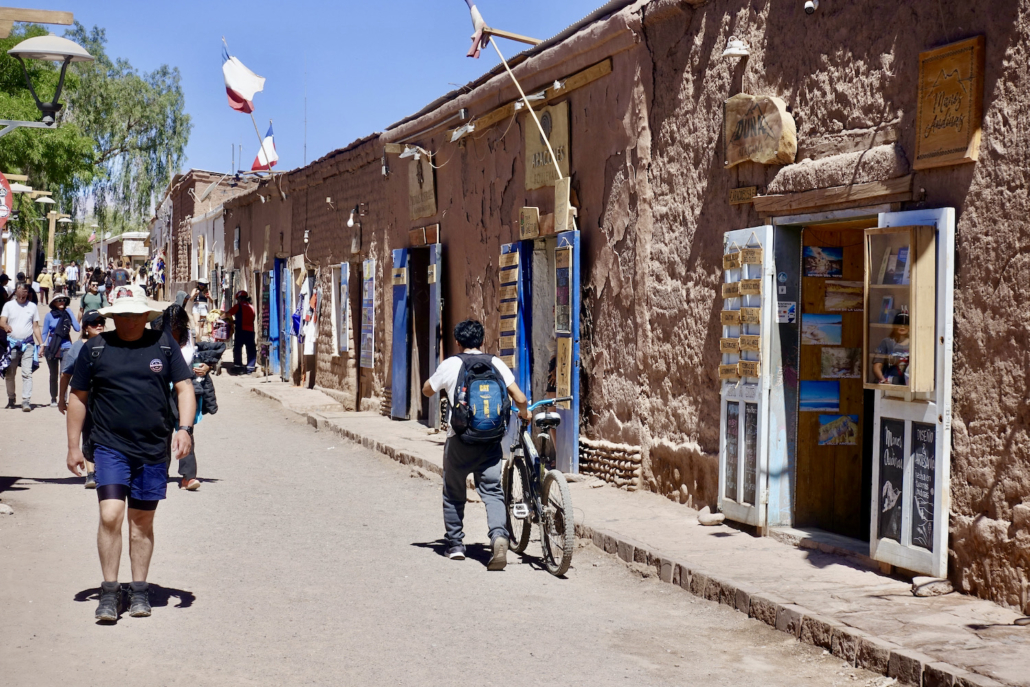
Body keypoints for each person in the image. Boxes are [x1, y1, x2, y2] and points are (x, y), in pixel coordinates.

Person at [66, 285, 195, 622]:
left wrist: (185, 429)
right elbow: (77, 397)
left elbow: (185, 388)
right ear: (113, 317)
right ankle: (110, 590)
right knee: (110, 515)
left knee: (142, 522)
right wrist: (73, 446)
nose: (129, 320)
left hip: (152, 449)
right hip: (109, 447)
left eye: (134, 313)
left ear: (145, 315)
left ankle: (138, 589)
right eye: (122, 314)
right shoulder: (95, 349)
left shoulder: (163, 345)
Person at [422, 319, 530, 570]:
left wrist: (436, 385)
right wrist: (524, 412)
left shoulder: (451, 364)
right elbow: (520, 397)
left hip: (459, 440)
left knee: (453, 492)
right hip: (490, 441)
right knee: (492, 491)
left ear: (457, 342)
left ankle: (456, 545)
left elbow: (427, 390)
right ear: (483, 340)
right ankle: (499, 536)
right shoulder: (496, 363)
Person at [58, 309, 105, 488]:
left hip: (105, 396)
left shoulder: (107, 343)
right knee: (88, 432)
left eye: (101, 321)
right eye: (94, 322)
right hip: (84, 396)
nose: (99, 325)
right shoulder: (78, 347)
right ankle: (91, 473)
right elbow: (65, 374)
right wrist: (61, 398)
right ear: (85, 327)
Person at [1, 283, 43, 411]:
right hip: (12, 344)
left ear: (28, 293)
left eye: (25, 291)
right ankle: (11, 397)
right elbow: (2, 320)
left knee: (27, 373)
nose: (23, 294)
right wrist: (5, 326)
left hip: (28, 344)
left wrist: (41, 344)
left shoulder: (32, 306)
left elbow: (35, 326)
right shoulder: (8, 305)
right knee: (10, 373)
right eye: (20, 291)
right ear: (15, 292)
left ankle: (26, 400)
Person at [42, 294, 80, 407]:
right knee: (53, 375)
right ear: (54, 303)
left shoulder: (68, 313)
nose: (61, 302)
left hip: (66, 346)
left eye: (63, 300)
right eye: (59, 300)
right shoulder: (49, 316)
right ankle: (53, 398)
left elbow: (77, 328)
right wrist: (42, 346)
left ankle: (63, 399)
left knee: (64, 374)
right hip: (52, 347)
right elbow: (44, 332)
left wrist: (71, 314)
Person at [872, 312, 910, 386]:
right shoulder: (887, 342)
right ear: (894, 326)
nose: (902, 326)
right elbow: (877, 366)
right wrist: (883, 380)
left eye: (905, 324)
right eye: (899, 323)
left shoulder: (914, 343)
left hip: (908, 384)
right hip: (890, 384)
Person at [226, 290, 256, 374]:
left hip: (241, 330)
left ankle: (238, 367)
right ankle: (250, 368)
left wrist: (220, 317)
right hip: (250, 331)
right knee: (250, 349)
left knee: (237, 348)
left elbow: (228, 314)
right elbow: (250, 319)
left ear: (239, 298)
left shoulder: (238, 306)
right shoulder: (251, 307)